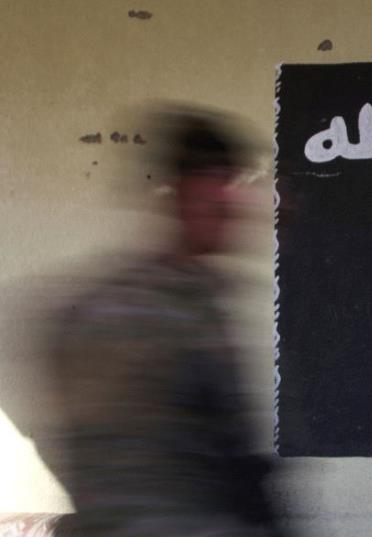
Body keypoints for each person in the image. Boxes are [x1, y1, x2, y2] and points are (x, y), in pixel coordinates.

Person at [44, 107, 279, 537]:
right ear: (181, 192)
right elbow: (154, 484)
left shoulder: (193, 302)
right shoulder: (138, 314)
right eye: (223, 184)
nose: (235, 205)